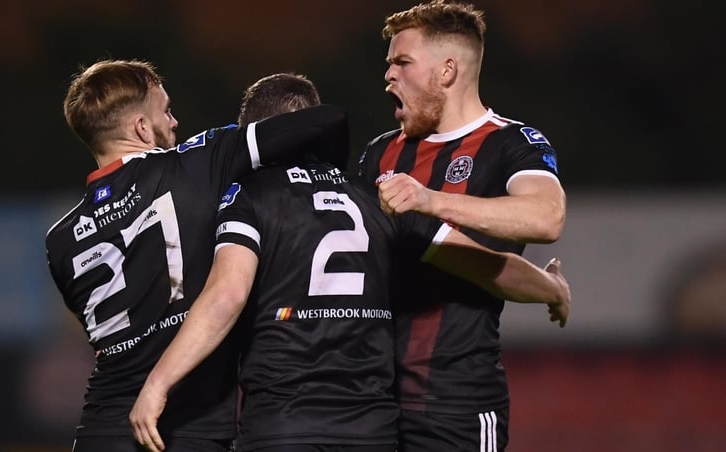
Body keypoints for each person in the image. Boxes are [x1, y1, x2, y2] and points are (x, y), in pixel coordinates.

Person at [130, 73, 569, 452]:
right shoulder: (375, 195)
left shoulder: (250, 196)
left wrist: (158, 383)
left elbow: (227, 293)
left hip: (284, 421)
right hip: (371, 426)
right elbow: (485, 265)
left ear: (258, 135)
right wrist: (552, 290)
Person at [45, 59, 350, 452]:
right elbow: (324, 120)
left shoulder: (60, 239)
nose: (174, 122)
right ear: (141, 128)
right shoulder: (196, 163)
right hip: (183, 428)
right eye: (166, 111)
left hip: (101, 430)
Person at [357, 2, 568, 451]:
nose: (389, 75)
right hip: (368, 398)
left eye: (403, 62)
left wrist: (431, 200)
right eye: (389, 63)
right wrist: (547, 288)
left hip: (456, 402)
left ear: (447, 71)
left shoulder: (511, 143)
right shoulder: (379, 153)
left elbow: (546, 216)